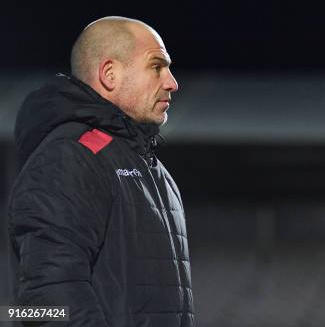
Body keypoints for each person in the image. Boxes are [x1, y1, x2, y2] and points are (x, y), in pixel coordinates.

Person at [8, 16, 194, 326]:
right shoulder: (68, 158)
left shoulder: (156, 172)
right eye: (157, 66)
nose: (172, 82)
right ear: (109, 74)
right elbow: (48, 300)